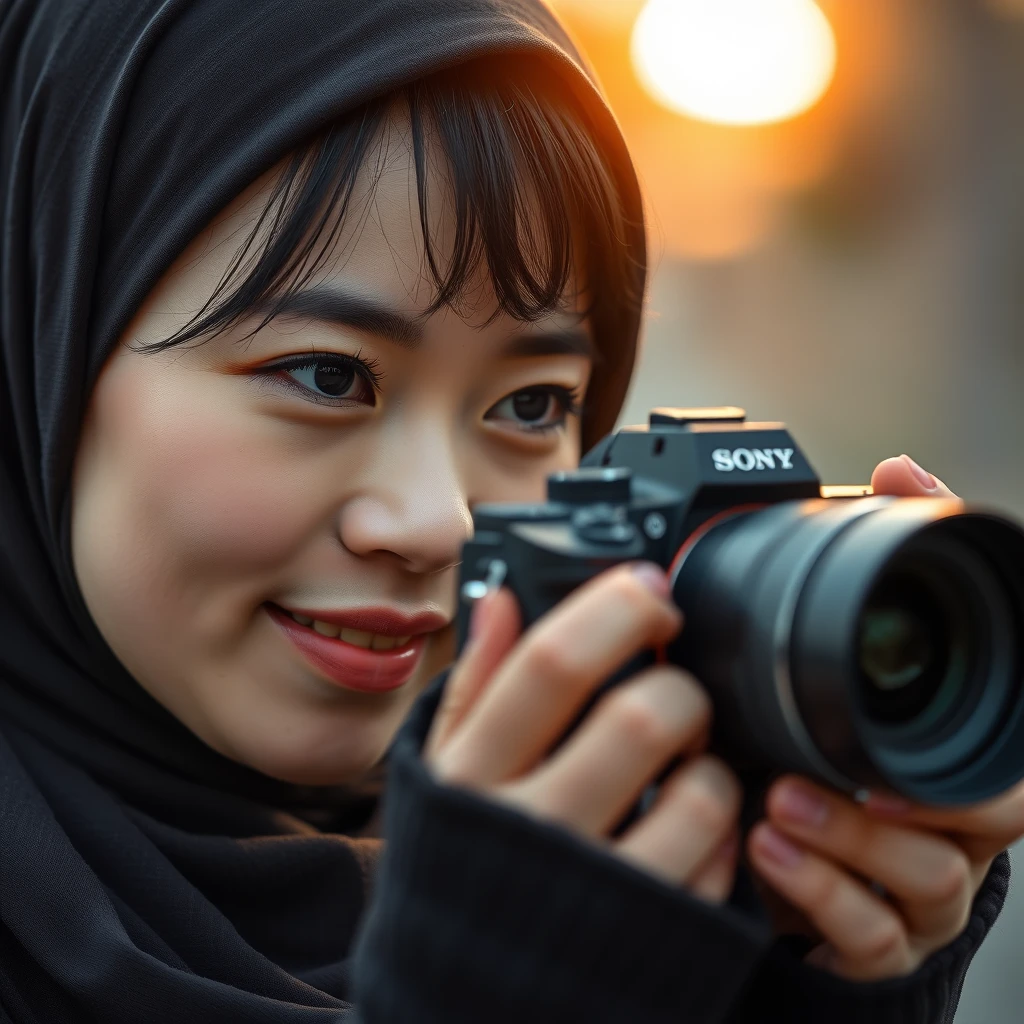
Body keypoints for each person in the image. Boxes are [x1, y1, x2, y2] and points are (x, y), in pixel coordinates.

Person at [0, 1, 1019, 1021]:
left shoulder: (597, 864)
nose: (439, 520)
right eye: (325, 374)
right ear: (38, 350)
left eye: (530, 405)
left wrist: (816, 982)